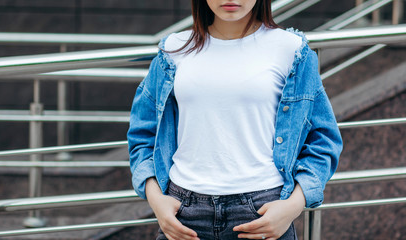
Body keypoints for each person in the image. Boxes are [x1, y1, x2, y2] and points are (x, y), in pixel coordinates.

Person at [127, 0, 342, 239]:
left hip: (261, 211)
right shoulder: (173, 49)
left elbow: (323, 140)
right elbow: (143, 134)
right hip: (183, 213)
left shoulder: (290, 49)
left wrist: (292, 207)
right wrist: (156, 200)